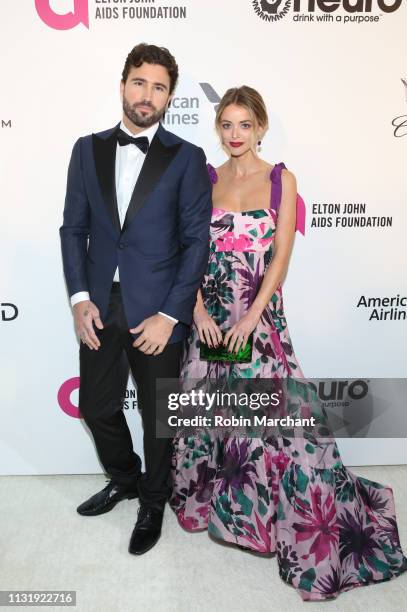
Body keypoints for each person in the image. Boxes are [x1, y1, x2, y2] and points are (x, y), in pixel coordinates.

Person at [170, 86, 407, 600]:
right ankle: (224, 510)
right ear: (219, 129)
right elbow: (187, 253)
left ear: (260, 127)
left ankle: (283, 518)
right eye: (226, 125)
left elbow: (280, 260)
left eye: (244, 125)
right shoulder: (204, 179)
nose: (235, 135)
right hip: (211, 319)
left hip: (257, 321)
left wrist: (253, 318)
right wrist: (198, 311)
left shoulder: (281, 179)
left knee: (280, 424)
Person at [60, 43, 212, 555]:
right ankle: (125, 478)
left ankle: (153, 500)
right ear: (123, 83)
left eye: (160, 87)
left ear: (170, 96)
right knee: (98, 408)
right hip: (100, 305)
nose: (148, 95)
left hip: (158, 310)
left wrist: (170, 316)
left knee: (158, 416)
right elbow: (73, 229)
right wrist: (80, 298)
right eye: (140, 82)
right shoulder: (87, 149)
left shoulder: (187, 157)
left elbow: (196, 243)